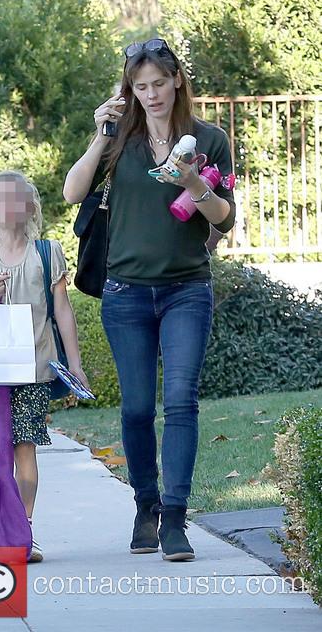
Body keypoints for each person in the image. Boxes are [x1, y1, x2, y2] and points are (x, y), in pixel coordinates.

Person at [63, 38, 236, 561]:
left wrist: (195, 186)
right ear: (130, 91)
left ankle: (177, 520)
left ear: (176, 80)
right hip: (125, 293)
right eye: (141, 86)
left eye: (159, 83)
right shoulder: (121, 140)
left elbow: (225, 218)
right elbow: (73, 192)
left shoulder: (209, 140)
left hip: (187, 289)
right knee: (137, 409)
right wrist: (100, 135)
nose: (152, 94)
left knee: (181, 402)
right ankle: (146, 505)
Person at [0, 170, 89, 562]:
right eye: (0, 201)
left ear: (30, 207)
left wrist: (76, 364)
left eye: (17, 199)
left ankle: (23, 531)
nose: (9, 207)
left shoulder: (46, 252)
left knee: (25, 451)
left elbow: (63, 312)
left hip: (34, 368)